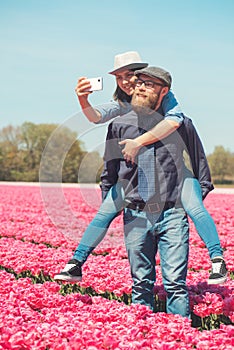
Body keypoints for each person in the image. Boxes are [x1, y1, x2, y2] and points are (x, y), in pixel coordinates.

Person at [54, 52, 227, 285]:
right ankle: (76, 263)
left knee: (194, 206)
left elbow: (177, 123)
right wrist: (83, 100)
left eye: (130, 76)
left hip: (173, 176)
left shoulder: (165, 99)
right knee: (105, 210)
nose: (125, 82)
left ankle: (217, 260)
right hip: (136, 179)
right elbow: (97, 117)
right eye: (119, 78)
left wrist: (202, 184)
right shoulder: (124, 106)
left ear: (143, 77)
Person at [101, 66, 193, 316]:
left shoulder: (179, 125)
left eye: (149, 84)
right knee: (141, 284)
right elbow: (109, 171)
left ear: (164, 92)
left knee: (175, 283)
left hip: (172, 213)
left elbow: (200, 166)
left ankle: (179, 336)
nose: (140, 86)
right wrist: (108, 207)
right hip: (136, 214)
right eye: (139, 82)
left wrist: (192, 202)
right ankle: (143, 335)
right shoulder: (119, 125)